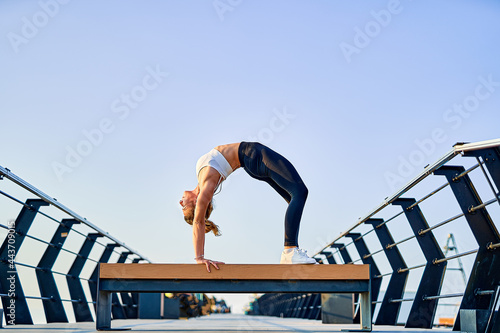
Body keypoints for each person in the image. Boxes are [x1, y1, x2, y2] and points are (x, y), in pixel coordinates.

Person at [180, 142, 316, 272]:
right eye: (184, 208)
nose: (181, 203)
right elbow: (198, 221)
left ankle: (291, 250)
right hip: (254, 155)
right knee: (300, 192)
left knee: (294, 198)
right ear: (196, 204)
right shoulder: (206, 187)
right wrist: (199, 258)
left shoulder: (201, 178)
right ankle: (290, 250)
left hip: (251, 160)